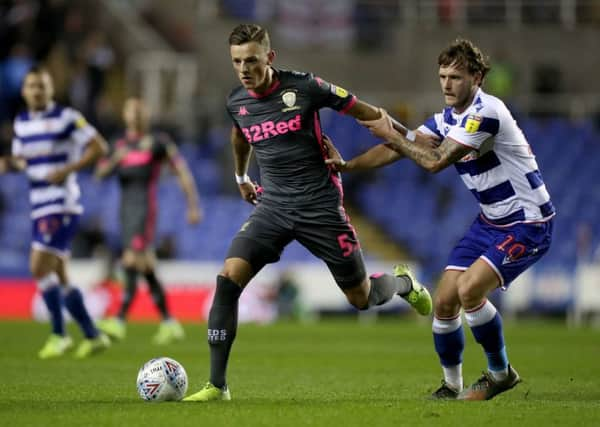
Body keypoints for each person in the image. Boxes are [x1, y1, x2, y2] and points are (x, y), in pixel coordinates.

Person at [183, 23, 432, 403]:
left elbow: (365, 112)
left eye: (251, 60)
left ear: (270, 57)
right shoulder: (237, 101)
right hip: (273, 206)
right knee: (228, 278)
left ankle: (402, 284)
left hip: (320, 206)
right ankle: (217, 385)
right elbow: (239, 134)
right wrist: (241, 176)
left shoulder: (305, 87)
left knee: (361, 298)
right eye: (236, 62)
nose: (244, 69)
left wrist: (410, 139)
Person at [325, 38, 555, 401]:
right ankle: (451, 386)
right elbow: (402, 145)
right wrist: (349, 165)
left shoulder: (486, 113)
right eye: (442, 76)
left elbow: (434, 161)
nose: (447, 84)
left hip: (528, 222)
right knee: (445, 300)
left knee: (468, 291)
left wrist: (397, 137)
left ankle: (500, 372)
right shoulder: (448, 118)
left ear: (477, 77)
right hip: (491, 221)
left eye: (456, 77)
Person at [0, 66, 111, 359]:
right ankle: (92, 334)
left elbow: (99, 147)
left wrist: (67, 169)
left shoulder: (67, 117)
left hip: (61, 202)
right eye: (32, 86)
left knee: (38, 266)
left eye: (42, 86)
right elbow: (24, 162)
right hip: (38, 203)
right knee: (60, 275)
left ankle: (59, 334)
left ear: (51, 89)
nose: (37, 91)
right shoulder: (22, 122)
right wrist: (8, 164)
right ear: (24, 91)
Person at [95, 97, 202, 345]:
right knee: (145, 265)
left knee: (131, 259)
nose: (136, 115)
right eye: (132, 110)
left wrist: (193, 205)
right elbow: (100, 173)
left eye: (141, 110)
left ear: (148, 115)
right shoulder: (118, 144)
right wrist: (115, 158)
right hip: (125, 210)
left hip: (145, 208)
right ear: (125, 115)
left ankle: (120, 320)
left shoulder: (158, 143)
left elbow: (182, 171)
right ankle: (169, 322)